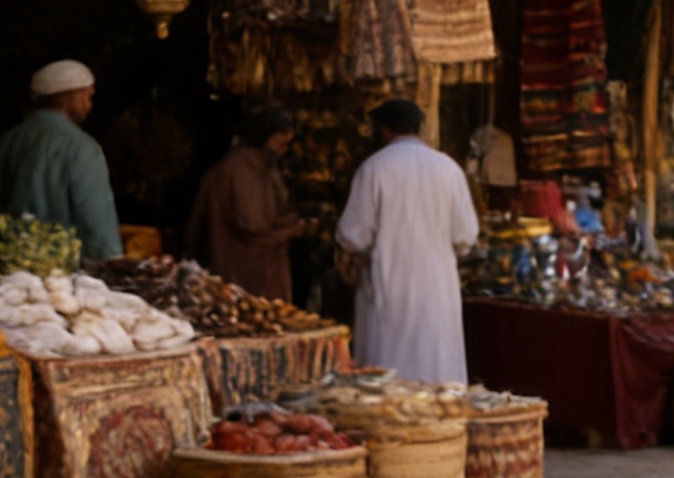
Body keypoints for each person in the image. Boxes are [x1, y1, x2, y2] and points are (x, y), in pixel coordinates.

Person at [336, 98, 480, 383]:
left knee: (389, 376)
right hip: (437, 290)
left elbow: (353, 235)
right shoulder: (448, 168)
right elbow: (465, 236)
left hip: (389, 286)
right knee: (437, 374)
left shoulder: (374, 168)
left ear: (385, 129)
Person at [0, 60, 123, 259]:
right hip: (62, 275)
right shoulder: (81, 148)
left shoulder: (9, 141)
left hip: (8, 267)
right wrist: (112, 262)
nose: (89, 105)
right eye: (88, 96)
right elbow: (95, 220)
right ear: (72, 96)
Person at [184, 107, 302, 301]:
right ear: (266, 136)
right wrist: (288, 230)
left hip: (259, 267)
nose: (285, 149)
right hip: (244, 270)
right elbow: (251, 223)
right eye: (282, 141)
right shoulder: (241, 169)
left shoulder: (264, 167)